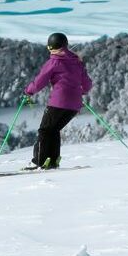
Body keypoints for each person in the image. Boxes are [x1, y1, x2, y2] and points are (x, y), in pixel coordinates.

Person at [24, 32, 93, 169]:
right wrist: (81, 92)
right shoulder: (77, 62)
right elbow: (87, 84)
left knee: (44, 131)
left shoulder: (54, 62)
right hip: (74, 105)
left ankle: (39, 162)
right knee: (54, 130)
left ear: (50, 47)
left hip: (59, 102)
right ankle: (53, 161)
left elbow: (40, 81)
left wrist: (29, 91)